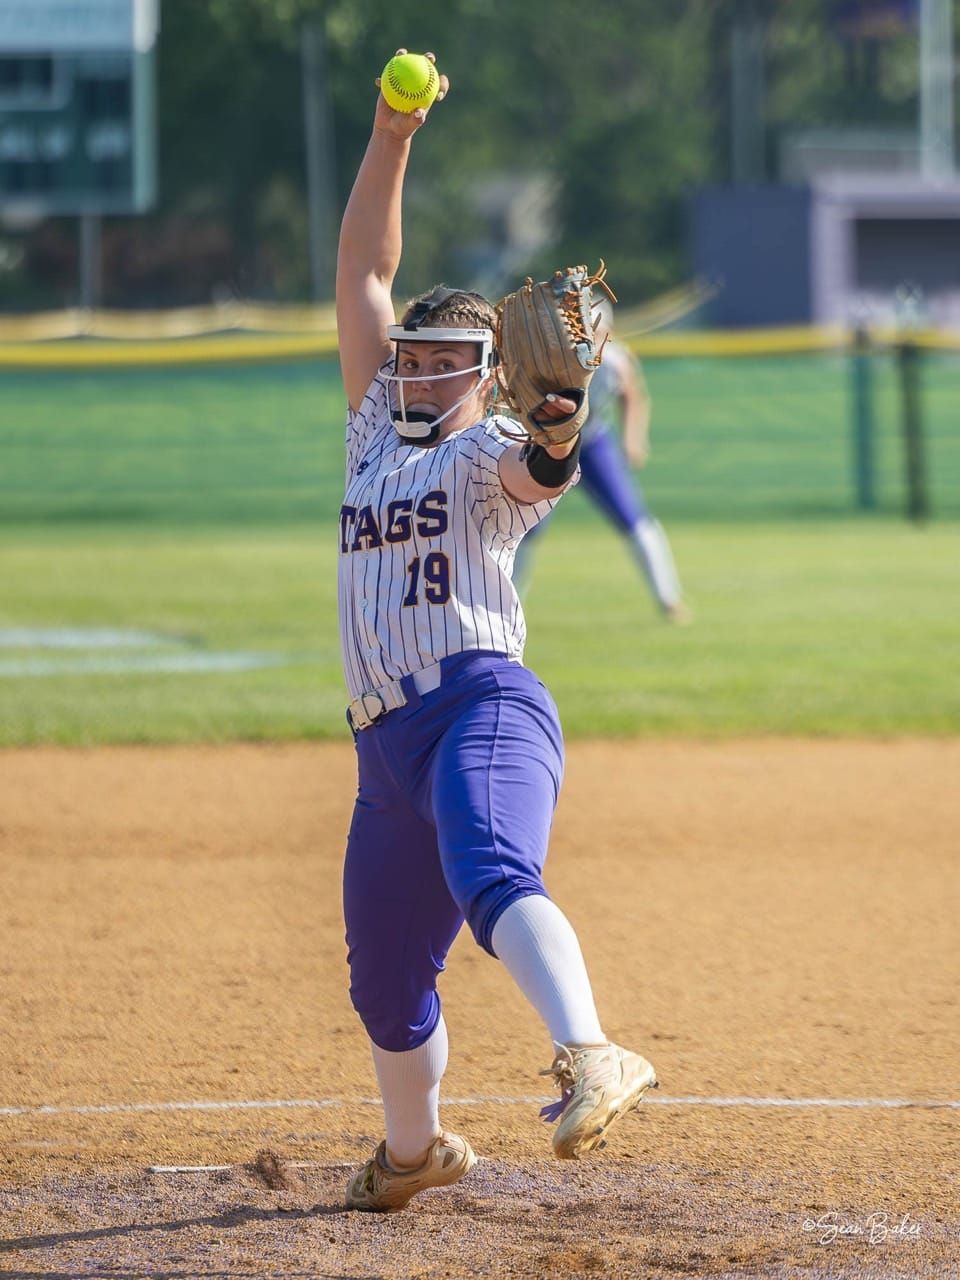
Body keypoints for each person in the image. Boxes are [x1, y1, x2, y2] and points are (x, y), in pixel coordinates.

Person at [335, 50, 657, 1213]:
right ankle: (413, 1149)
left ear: (489, 379)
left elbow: (541, 470)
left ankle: (593, 1050)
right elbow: (366, 269)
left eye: (443, 363)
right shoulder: (375, 433)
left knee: (489, 869)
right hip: (385, 752)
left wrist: (559, 429)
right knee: (384, 979)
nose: (418, 373)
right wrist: (392, 134)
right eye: (410, 358)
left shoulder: (486, 452)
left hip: (481, 706)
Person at [512, 311, 689, 622]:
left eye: (597, 331)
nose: (591, 338)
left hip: (592, 444)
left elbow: (632, 394)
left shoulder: (614, 359)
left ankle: (669, 600)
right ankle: (506, 605)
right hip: (547, 443)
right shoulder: (547, 360)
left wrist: (634, 438)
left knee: (633, 518)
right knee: (524, 527)